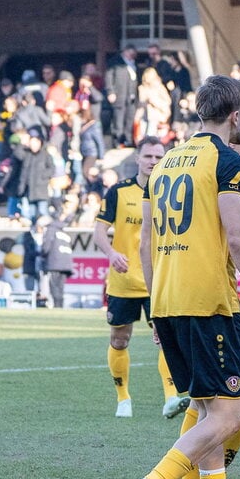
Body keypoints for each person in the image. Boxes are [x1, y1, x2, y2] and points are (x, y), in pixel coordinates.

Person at [119, 74, 240, 479]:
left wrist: (155, 306)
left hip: (169, 301)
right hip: (208, 302)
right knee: (228, 417)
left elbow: (149, 244)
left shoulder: (166, 162)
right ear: (236, 116)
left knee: (205, 406)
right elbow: (236, 237)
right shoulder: (228, 162)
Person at [93, 136, 190, 419]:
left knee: (166, 339)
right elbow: (99, 232)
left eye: (159, 157)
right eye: (148, 156)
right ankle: (123, 398)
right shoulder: (118, 192)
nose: (153, 162)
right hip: (124, 281)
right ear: (137, 158)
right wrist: (112, 254)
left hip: (158, 279)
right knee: (120, 339)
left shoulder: (171, 191)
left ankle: (171, 397)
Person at [105, 45, 139, 147]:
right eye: (130, 53)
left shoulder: (133, 64)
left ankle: (127, 140)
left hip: (131, 97)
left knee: (129, 119)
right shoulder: (115, 62)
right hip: (119, 95)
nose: (131, 56)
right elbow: (109, 76)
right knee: (118, 120)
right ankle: (118, 141)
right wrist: (110, 91)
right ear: (125, 52)